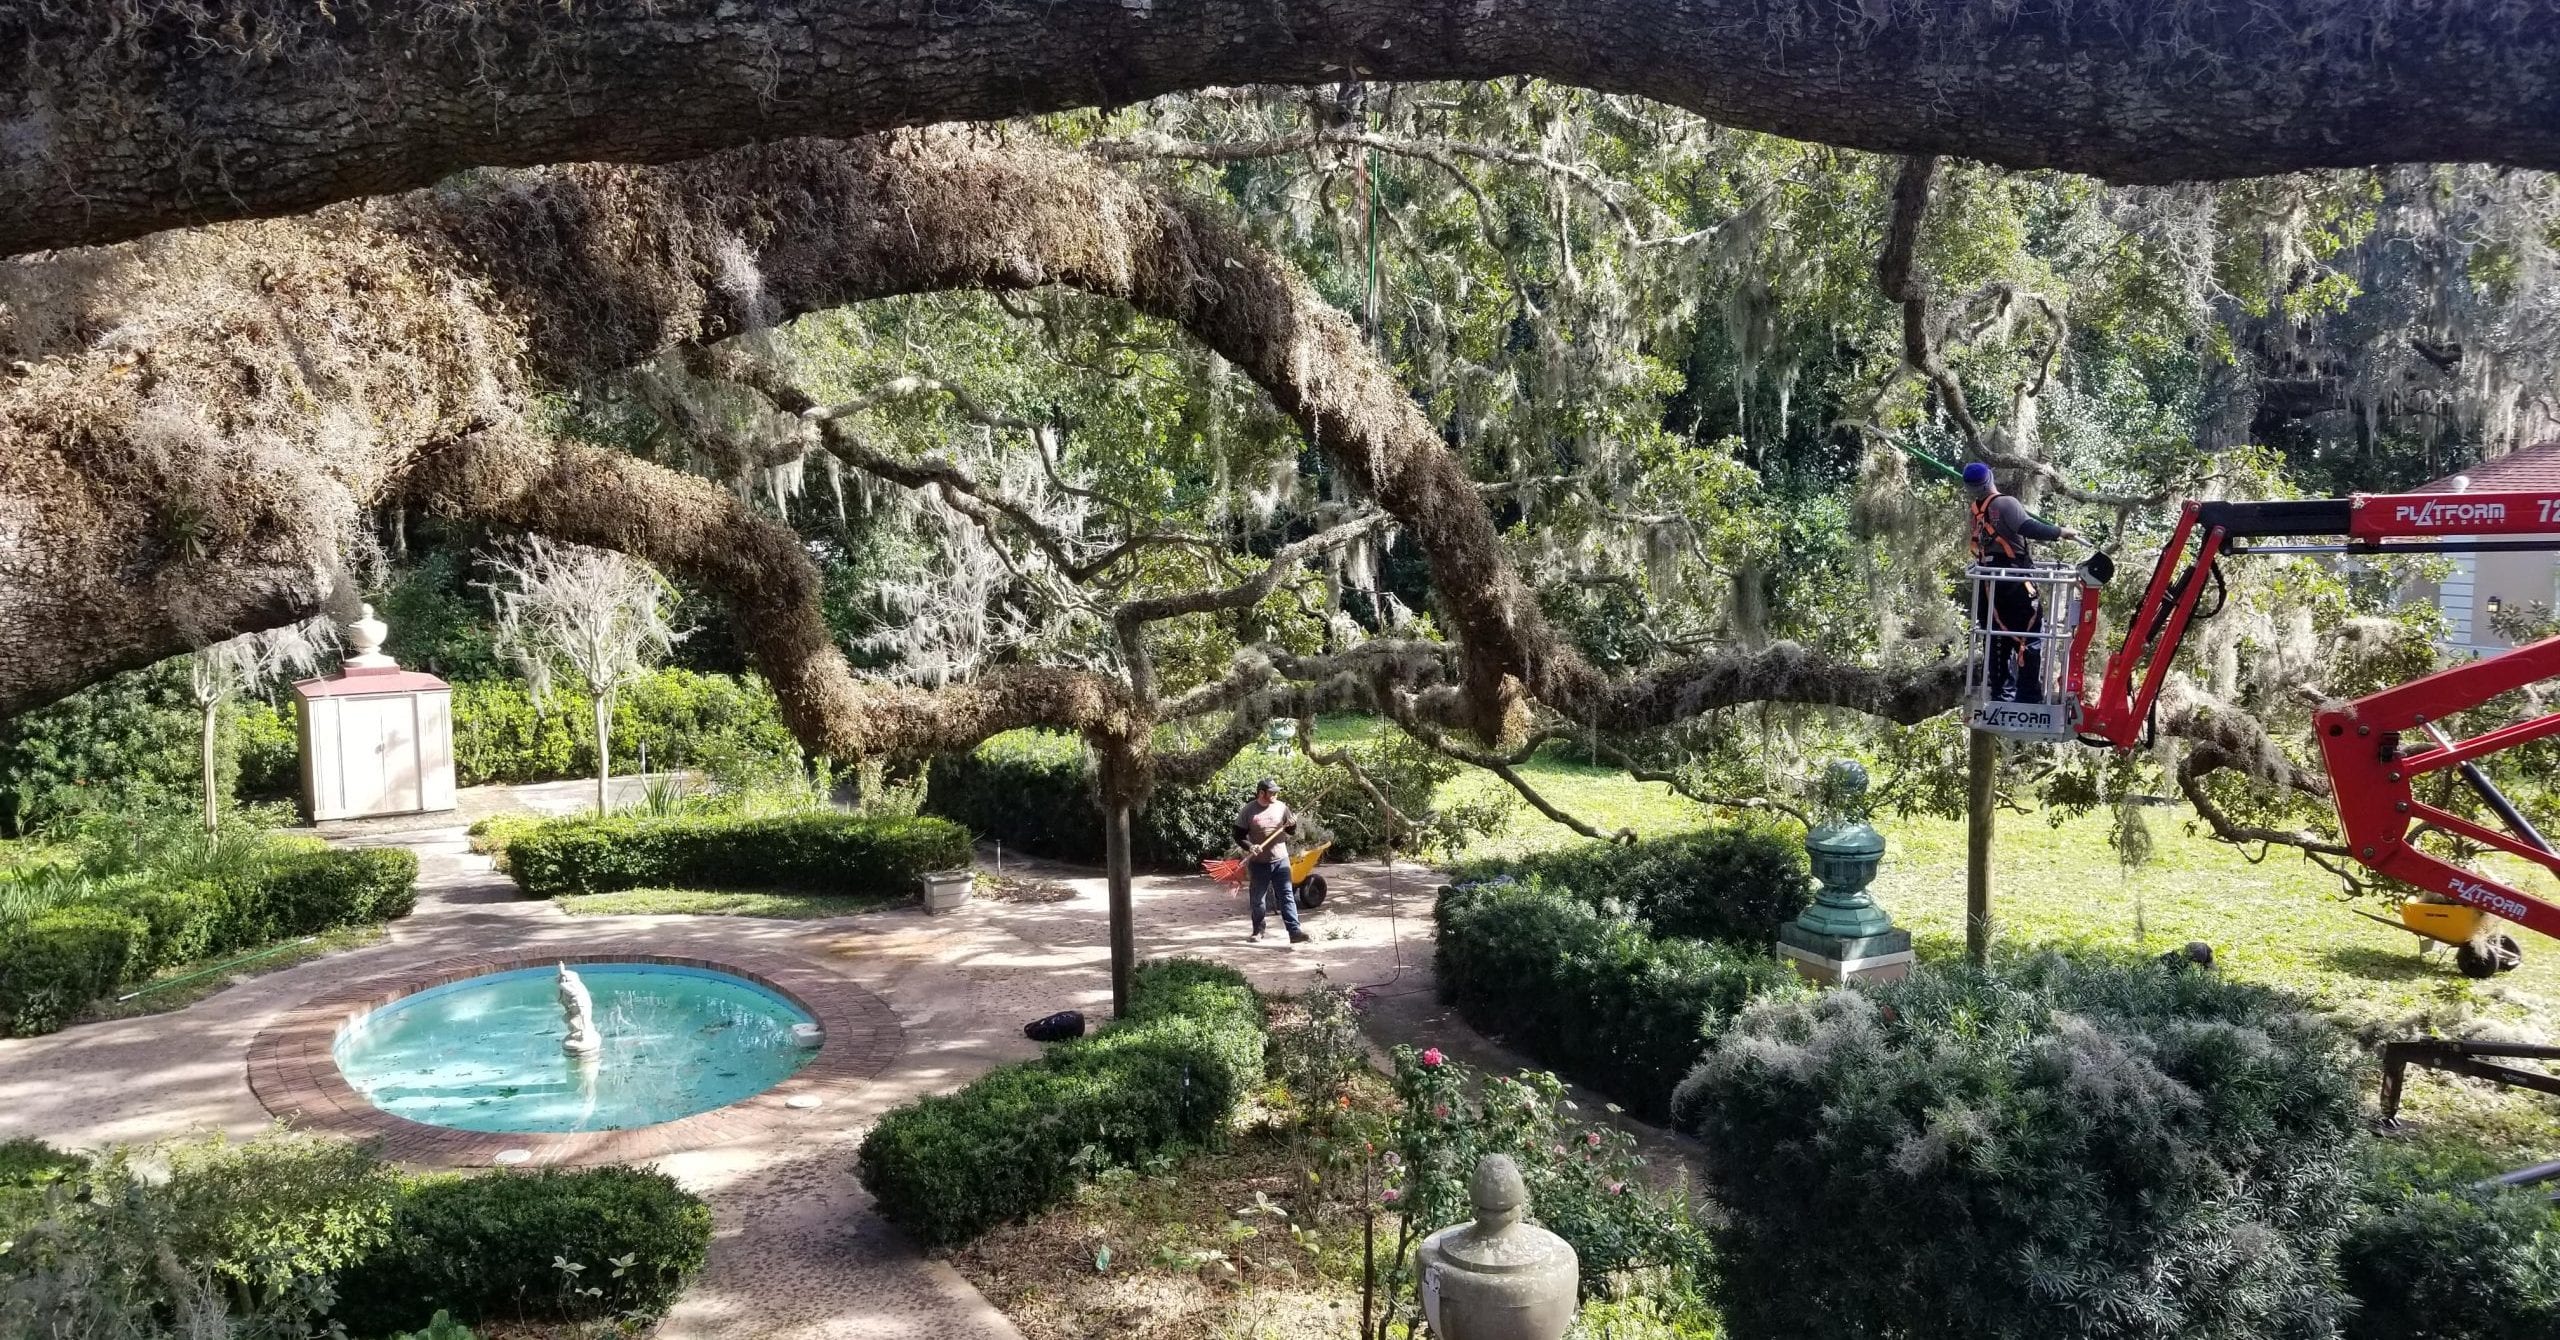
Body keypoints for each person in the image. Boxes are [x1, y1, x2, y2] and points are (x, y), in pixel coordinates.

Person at [1963, 462, 2080, 703]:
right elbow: (2027, 527)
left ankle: (2001, 693)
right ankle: (2028, 695)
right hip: (2014, 582)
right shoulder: (2006, 503)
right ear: (1990, 479)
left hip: (1989, 583)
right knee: (2031, 633)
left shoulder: (1975, 510)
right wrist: (2060, 532)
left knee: (1995, 636)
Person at [1233, 778, 1309, 945]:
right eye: (1272, 792)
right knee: (1258, 899)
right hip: (1259, 862)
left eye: (1276, 792)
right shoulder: (1249, 811)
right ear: (1261, 793)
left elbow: (1290, 831)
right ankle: (1258, 931)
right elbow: (1238, 835)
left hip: (1281, 860)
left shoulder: (1282, 808)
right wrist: (1250, 847)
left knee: (1287, 896)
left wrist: (1292, 825)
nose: (1275, 794)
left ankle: (1294, 932)